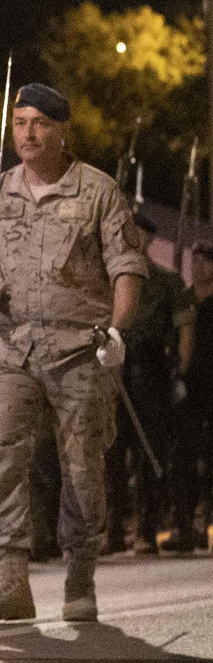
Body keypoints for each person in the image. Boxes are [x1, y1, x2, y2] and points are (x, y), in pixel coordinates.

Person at [0, 84, 148, 623]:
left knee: (82, 463)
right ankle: (11, 581)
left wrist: (117, 330)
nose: (28, 133)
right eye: (20, 123)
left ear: (63, 129)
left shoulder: (99, 192)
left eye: (40, 123)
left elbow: (126, 269)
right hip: (11, 347)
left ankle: (80, 576)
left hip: (79, 350)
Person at [102, 214, 193, 554]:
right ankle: (112, 528)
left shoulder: (167, 282)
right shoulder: (108, 277)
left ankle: (146, 529)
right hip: (115, 373)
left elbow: (184, 330)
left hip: (151, 374)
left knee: (148, 454)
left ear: (149, 239)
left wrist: (179, 373)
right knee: (111, 454)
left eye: (137, 234)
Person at [165, 241, 213, 554]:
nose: (197, 267)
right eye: (193, 261)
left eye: (204, 262)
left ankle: (201, 521)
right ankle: (184, 526)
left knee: (209, 459)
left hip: (210, 388)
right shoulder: (183, 298)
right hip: (187, 388)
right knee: (182, 457)